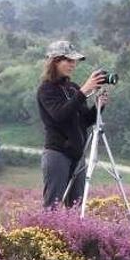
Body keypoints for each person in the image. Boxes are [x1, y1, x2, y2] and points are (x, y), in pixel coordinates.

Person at [37, 40, 110, 208]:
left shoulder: (72, 88)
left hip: (77, 155)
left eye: (74, 61)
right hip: (57, 154)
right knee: (52, 207)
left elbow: (85, 121)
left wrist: (99, 106)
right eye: (68, 60)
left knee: (76, 207)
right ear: (55, 61)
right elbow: (60, 115)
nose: (73, 64)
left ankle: (73, 235)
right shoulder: (46, 89)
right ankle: (47, 234)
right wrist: (84, 91)